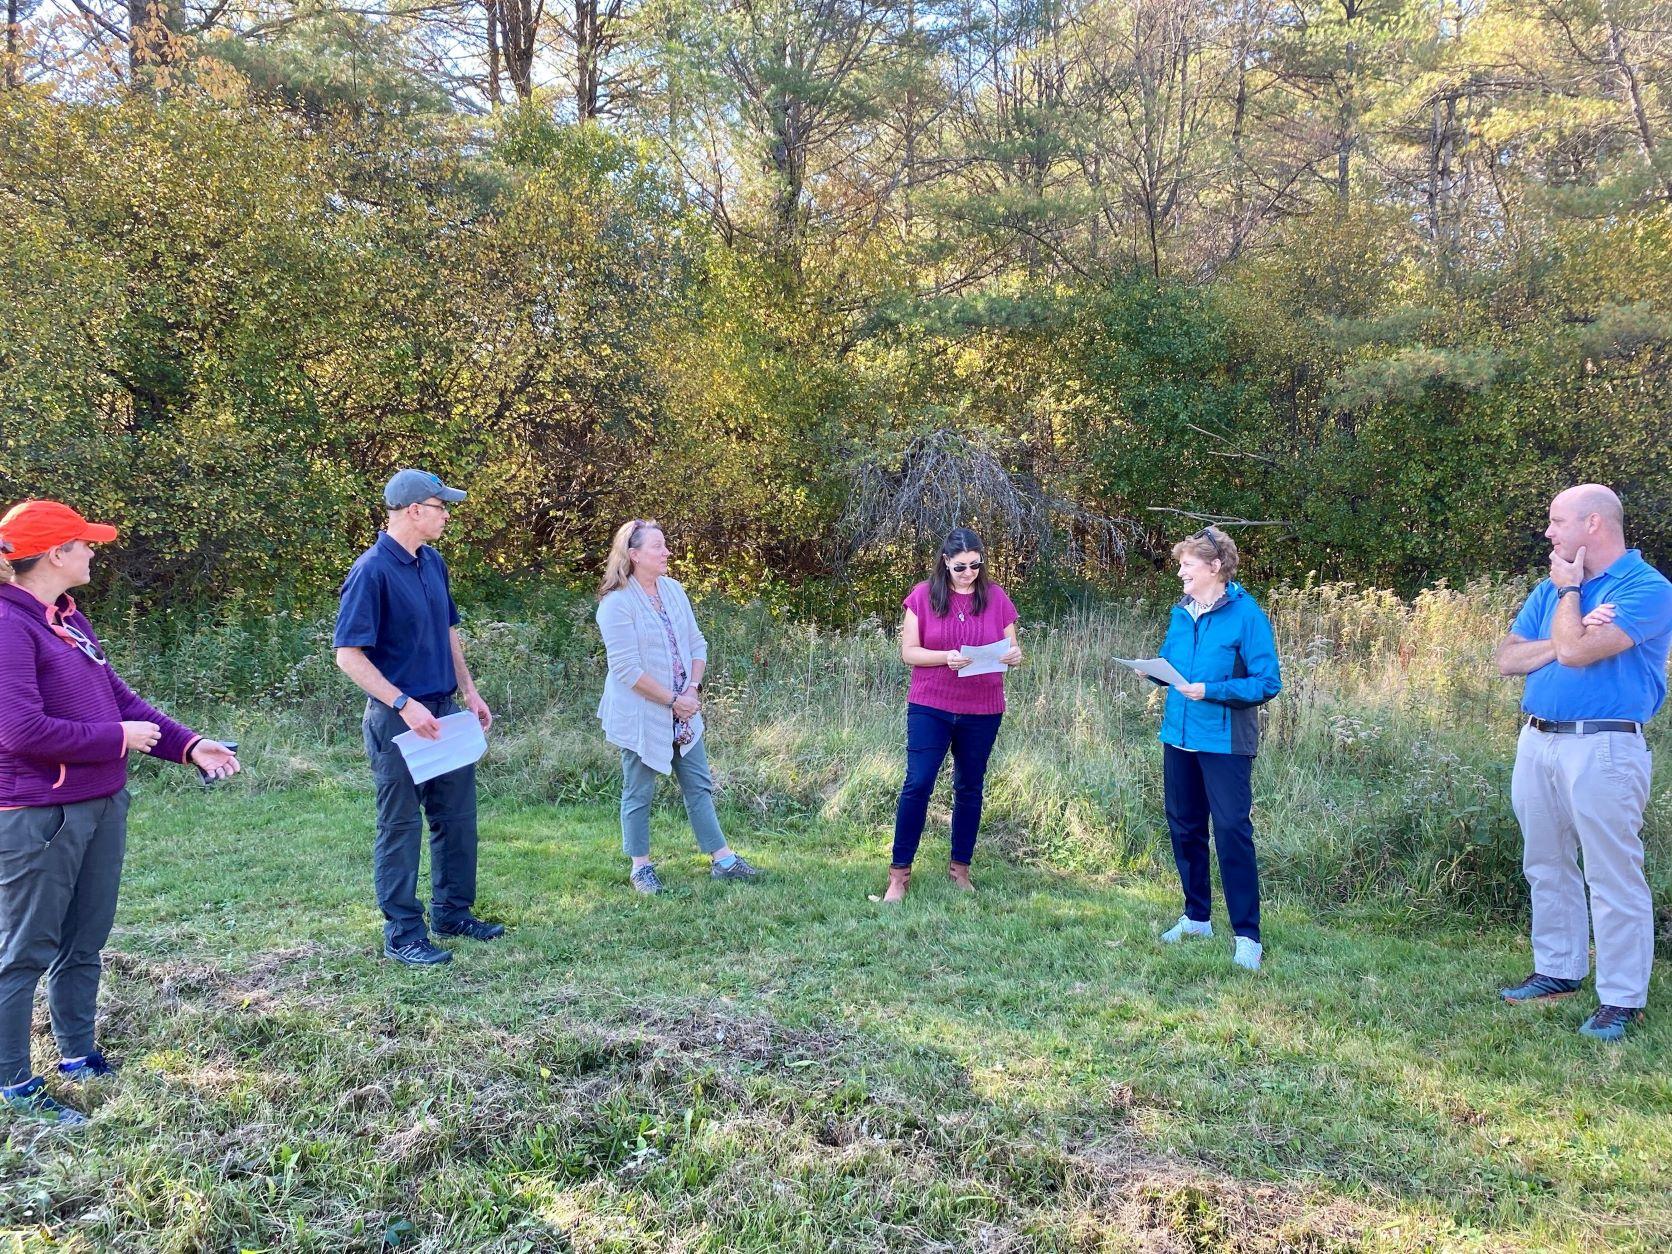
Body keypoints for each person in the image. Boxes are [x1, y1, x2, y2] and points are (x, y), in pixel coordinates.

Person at [0, 501, 239, 1126]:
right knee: (26, 949)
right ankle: (13, 1081)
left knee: (84, 941)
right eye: (85, 544)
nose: (93, 553)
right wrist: (116, 740)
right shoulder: (8, 626)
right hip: (39, 813)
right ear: (55, 553)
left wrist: (188, 745)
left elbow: (119, 700)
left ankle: (77, 1054)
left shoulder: (68, 619)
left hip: (102, 803)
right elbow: (20, 731)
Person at [1494, 484, 1672, 1042]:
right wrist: (1563, 633)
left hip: (1604, 745)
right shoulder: (1549, 589)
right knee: (1545, 862)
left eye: (1557, 521)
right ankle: (1558, 970)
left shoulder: (1648, 588)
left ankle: (1622, 999)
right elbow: (1507, 658)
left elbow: (1576, 652)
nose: (1549, 533)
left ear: (1593, 524)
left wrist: (1569, 600)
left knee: (1612, 872)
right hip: (1538, 739)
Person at [334, 470, 502, 967]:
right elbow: (348, 655)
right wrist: (404, 704)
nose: (447, 514)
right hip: (397, 721)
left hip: (445, 712)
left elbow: (449, 631)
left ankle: (453, 912)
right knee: (400, 825)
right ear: (414, 511)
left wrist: (469, 691)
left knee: (456, 818)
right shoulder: (371, 571)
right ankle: (404, 932)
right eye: (440, 506)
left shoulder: (434, 563)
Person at [595, 519, 760, 893]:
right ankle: (640, 867)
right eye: (658, 546)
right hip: (643, 712)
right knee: (638, 790)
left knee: (698, 784)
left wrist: (692, 690)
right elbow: (626, 669)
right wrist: (672, 700)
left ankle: (723, 860)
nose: (667, 552)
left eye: (665, 545)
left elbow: (696, 643)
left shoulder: (673, 590)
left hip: (685, 708)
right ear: (634, 555)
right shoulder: (616, 603)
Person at [1153, 526, 1281, 970]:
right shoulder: (1180, 612)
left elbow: (1267, 683)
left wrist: (1212, 690)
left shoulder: (1247, 616)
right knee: (1184, 827)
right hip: (1179, 736)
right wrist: (1152, 670)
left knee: (1231, 832)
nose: (1181, 571)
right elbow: (1170, 660)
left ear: (1215, 567)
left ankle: (1248, 935)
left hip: (1225, 743)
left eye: (1188, 564)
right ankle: (1196, 917)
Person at [883, 527, 1023, 902]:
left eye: (976, 565)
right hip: (931, 705)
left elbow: (1013, 647)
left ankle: (960, 869)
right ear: (945, 562)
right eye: (961, 567)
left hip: (983, 706)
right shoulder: (923, 596)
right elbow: (909, 653)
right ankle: (899, 875)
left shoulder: (995, 597)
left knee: (970, 786)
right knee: (918, 783)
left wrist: (1014, 655)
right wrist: (945, 657)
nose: (969, 573)